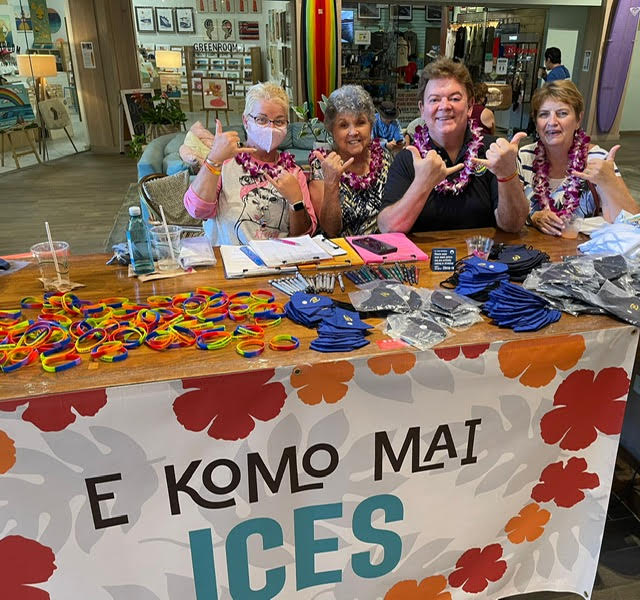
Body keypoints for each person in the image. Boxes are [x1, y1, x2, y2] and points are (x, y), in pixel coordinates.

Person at [378, 57, 529, 233]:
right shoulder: (408, 157)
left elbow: (513, 225)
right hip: (424, 259)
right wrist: (422, 183)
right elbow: (388, 229)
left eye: (455, 98)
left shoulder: (493, 152)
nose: (445, 106)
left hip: (483, 257)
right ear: (422, 108)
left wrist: (507, 175)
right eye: (434, 100)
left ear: (470, 105)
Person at [183, 82, 316, 245]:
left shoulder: (294, 172)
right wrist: (214, 159)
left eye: (279, 122)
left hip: (279, 264)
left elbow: (303, 237)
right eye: (262, 119)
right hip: (230, 263)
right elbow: (197, 210)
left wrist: (296, 202)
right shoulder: (225, 163)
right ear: (246, 122)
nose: (271, 127)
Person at [519, 80, 637, 236]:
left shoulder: (598, 159)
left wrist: (610, 183)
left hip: (583, 254)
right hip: (532, 251)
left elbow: (633, 222)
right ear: (536, 122)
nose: (552, 122)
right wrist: (533, 216)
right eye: (544, 114)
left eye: (562, 113)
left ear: (578, 120)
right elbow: (513, 210)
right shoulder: (525, 156)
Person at [308, 85, 393, 237]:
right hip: (341, 254)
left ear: (371, 125)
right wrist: (331, 182)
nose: (353, 132)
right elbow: (330, 230)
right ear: (332, 130)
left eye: (360, 122)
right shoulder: (321, 163)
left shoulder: (385, 158)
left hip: (382, 252)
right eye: (343, 125)